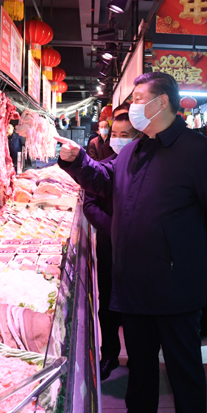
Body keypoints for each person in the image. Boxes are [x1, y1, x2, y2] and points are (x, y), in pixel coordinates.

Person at [55, 72, 207, 413]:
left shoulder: (199, 152)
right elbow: (107, 181)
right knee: (139, 361)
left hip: (176, 285)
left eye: (139, 98)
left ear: (162, 102)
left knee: (183, 368)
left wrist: (191, 258)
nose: (133, 106)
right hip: (133, 280)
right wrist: (78, 161)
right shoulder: (135, 149)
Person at [82, 115, 139, 381]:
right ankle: (109, 356)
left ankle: (139, 358)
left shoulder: (146, 170)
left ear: (138, 137)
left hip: (140, 249)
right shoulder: (102, 168)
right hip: (109, 245)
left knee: (136, 308)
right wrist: (115, 230)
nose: (117, 139)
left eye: (125, 135)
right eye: (114, 134)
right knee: (107, 305)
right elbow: (89, 205)